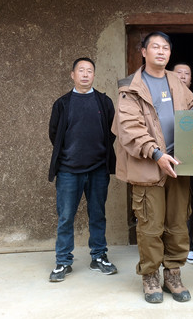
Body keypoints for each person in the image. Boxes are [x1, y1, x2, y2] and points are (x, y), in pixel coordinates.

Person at [112, 32, 193, 304]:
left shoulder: (175, 81)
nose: (161, 51)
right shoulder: (130, 88)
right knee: (150, 226)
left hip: (179, 164)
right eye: (155, 47)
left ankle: (173, 273)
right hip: (149, 166)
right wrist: (156, 153)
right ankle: (150, 275)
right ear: (144, 51)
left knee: (178, 223)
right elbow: (130, 129)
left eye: (166, 48)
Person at [47, 57, 117, 282]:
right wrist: (70, 156)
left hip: (98, 169)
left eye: (89, 71)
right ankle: (63, 261)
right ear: (73, 75)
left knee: (97, 215)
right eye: (81, 70)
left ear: (94, 75)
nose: (85, 74)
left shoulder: (104, 102)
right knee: (66, 216)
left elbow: (111, 131)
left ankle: (99, 256)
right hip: (68, 170)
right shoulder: (62, 103)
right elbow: (54, 134)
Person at [172, 62, 193, 265]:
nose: (182, 76)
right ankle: (166, 247)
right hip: (165, 159)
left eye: (186, 73)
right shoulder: (162, 97)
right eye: (178, 73)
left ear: (191, 79)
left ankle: (187, 246)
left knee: (187, 205)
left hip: (191, 161)